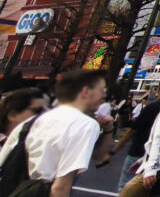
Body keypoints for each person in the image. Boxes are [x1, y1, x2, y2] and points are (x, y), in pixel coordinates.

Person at [0, 69, 115, 197]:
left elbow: (4, 159)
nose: (104, 95)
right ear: (85, 91)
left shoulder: (35, 120)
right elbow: (61, 186)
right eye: (102, 90)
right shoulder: (84, 124)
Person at [100, 77, 160, 191]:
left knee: (126, 188)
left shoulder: (152, 108)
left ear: (159, 89)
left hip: (138, 152)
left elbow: (132, 131)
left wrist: (112, 152)